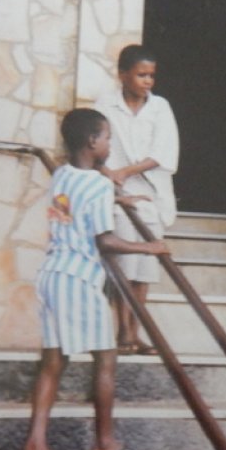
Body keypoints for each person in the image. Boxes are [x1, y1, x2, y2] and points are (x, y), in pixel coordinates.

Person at [15, 108, 170, 450]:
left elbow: (76, 204)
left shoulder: (62, 174)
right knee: (105, 359)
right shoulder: (99, 185)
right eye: (107, 138)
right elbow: (105, 241)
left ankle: (34, 448)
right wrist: (149, 248)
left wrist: (117, 201)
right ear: (91, 141)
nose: (109, 145)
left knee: (53, 363)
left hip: (52, 274)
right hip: (79, 279)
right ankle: (104, 446)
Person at [94, 44, 179, 355]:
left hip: (150, 195)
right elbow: (94, 146)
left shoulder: (160, 107)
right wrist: (109, 174)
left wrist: (124, 172)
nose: (148, 81)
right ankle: (123, 332)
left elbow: (163, 152)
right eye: (141, 75)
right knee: (124, 266)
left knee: (144, 268)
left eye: (151, 76)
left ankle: (136, 332)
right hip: (117, 196)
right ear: (123, 75)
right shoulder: (106, 105)